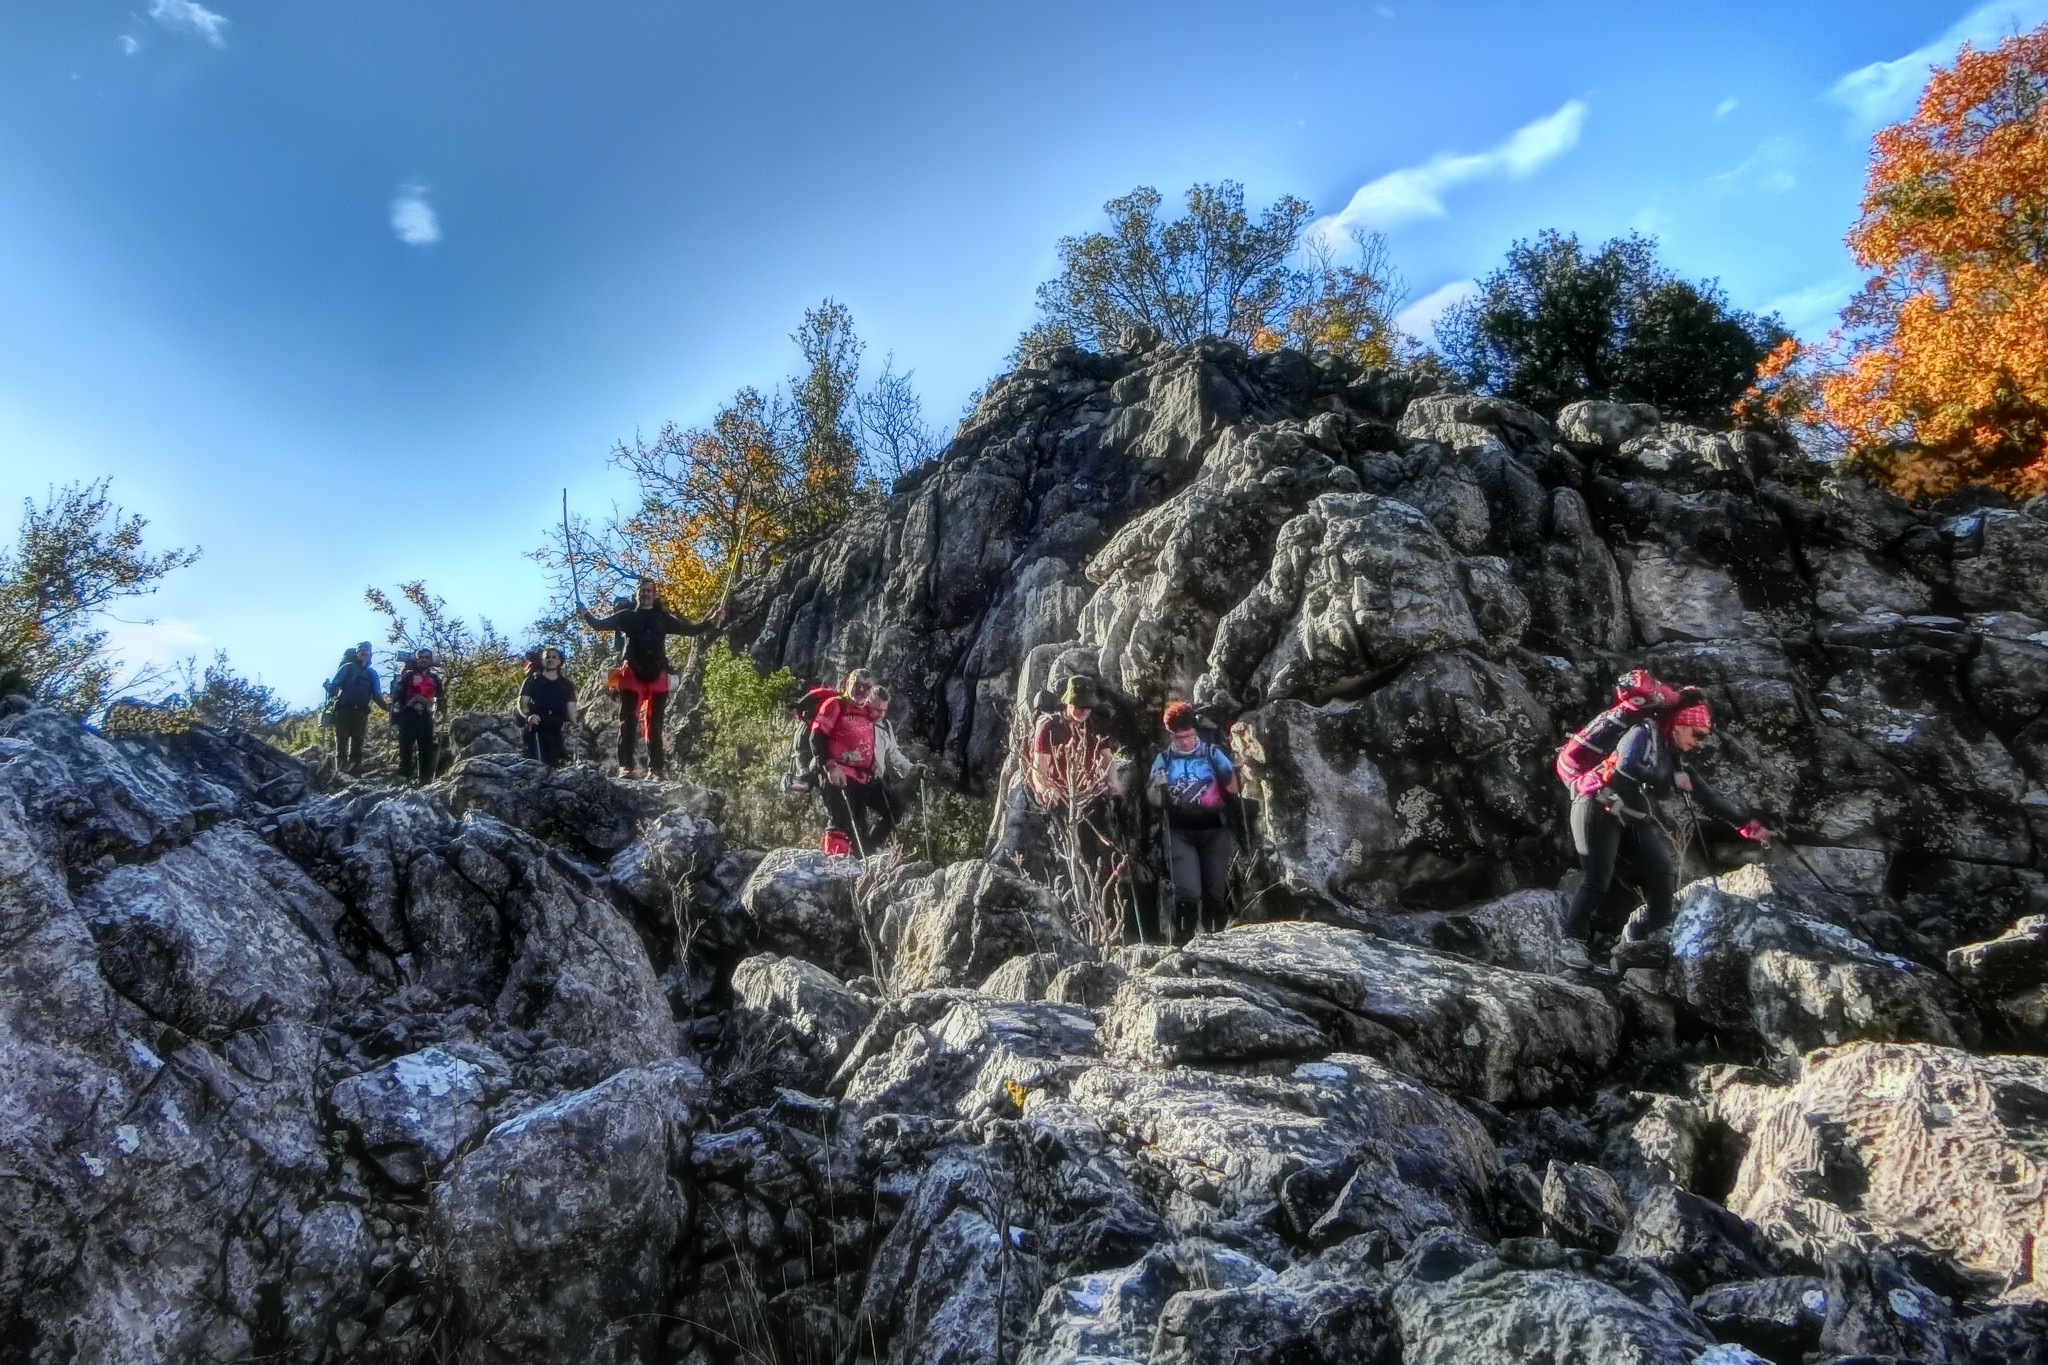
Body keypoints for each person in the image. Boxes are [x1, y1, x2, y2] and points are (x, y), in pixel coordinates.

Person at [1562, 695, 1774, 968]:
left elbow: (1709, 797)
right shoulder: (1643, 732)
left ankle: (1656, 930)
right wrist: (1669, 779)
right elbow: (1627, 766)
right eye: (1696, 734)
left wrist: (1748, 826)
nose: (1698, 741)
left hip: (1631, 817)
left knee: (1662, 870)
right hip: (1595, 807)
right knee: (1597, 879)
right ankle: (1571, 942)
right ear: (1678, 725)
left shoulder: (1674, 758)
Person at [577, 579, 718, 779]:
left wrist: (711, 621)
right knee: (627, 722)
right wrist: (585, 614)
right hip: (632, 672)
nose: (645, 594)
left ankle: (656, 769)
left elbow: (690, 630)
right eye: (642, 591)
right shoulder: (626, 617)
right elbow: (599, 626)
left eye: (648, 591)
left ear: (655, 594)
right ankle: (625, 767)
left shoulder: (662, 618)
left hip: (657, 672)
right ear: (637, 594)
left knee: (655, 723)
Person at [1146, 700, 1240, 943]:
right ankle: (1183, 945)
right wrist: (1157, 788)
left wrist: (1235, 773)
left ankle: (1217, 943)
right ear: (1171, 735)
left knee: (1214, 892)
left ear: (1195, 731)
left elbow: (1233, 789)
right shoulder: (1163, 760)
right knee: (1187, 893)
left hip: (1215, 831)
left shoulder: (1212, 753)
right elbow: (1153, 800)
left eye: (1188, 735)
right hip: (1180, 833)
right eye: (1179, 738)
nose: (1185, 742)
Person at [811, 671, 894, 855]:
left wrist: (874, 764)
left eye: (867, 687)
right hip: (838, 773)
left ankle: (865, 856)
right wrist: (830, 766)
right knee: (840, 822)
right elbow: (816, 737)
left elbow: (868, 742)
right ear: (848, 683)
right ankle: (833, 865)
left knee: (888, 811)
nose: (861, 690)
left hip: (863, 778)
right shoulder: (835, 705)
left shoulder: (867, 711)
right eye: (858, 685)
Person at [323, 642, 386, 776]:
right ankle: (340, 773)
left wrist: (388, 707)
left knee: (358, 742)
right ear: (356, 653)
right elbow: (335, 687)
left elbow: (376, 695)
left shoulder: (372, 673)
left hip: (361, 712)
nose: (363, 652)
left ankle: (354, 773)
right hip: (344, 710)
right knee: (342, 742)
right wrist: (329, 687)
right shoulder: (347, 667)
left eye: (366, 650)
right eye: (361, 650)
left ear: (370, 654)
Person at [390, 647, 447, 786]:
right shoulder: (408, 675)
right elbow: (397, 695)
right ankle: (404, 778)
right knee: (405, 747)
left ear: (431, 660)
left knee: (426, 748)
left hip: (425, 716)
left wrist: (442, 707)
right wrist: (395, 716)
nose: (424, 660)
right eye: (421, 657)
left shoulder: (435, 678)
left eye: (427, 657)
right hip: (408, 715)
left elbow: (440, 696)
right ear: (416, 659)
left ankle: (424, 780)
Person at [518, 646, 577, 768]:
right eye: (547, 657)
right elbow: (522, 703)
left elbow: (570, 708)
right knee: (536, 763)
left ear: (559, 661)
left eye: (554, 657)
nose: (550, 660)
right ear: (542, 661)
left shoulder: (566, 685)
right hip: (537, 726)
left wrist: (575, 724)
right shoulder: (532, 680)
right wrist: (529, 716)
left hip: (557, 728)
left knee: (557, 764)